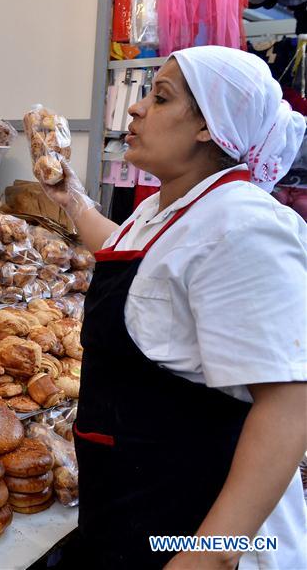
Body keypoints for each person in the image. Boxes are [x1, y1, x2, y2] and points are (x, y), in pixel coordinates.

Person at [40, 46, 307, 569]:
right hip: (136, 504)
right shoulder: (168, 208)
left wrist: (210, 557)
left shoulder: (243, 225)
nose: (136, 109)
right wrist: (71, 200)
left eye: (160, 98)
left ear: (211, 127)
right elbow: (134, 258)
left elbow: (288, 406)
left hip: (197, 523)